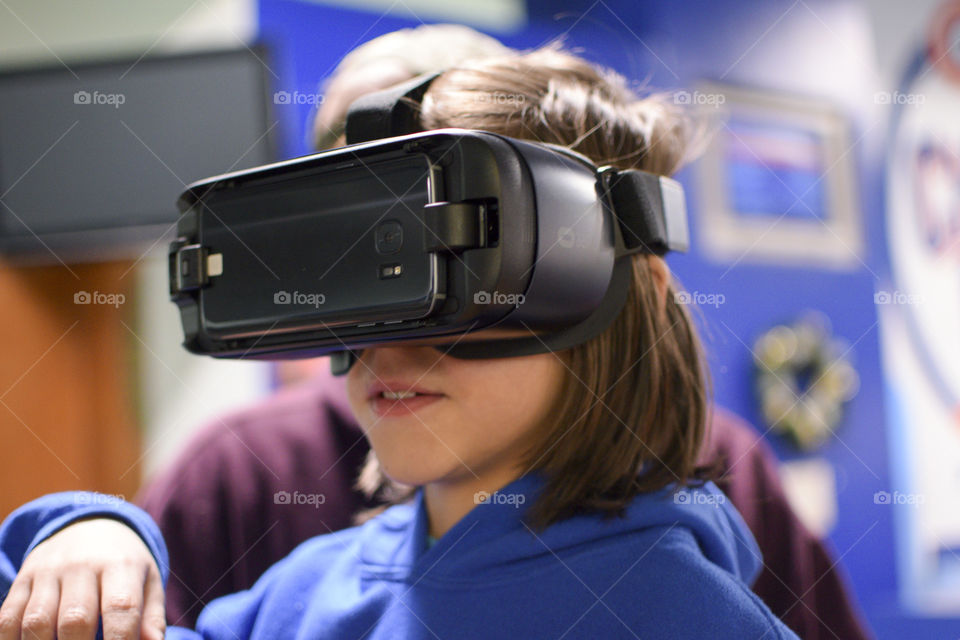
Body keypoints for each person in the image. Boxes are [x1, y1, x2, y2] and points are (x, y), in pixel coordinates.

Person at [1, 36, 811, 640]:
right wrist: (88, 530)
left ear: (629, 289)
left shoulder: (675, 612)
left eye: (452, 271)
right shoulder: (306, 590)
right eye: (362, 277)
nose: (388, 347)